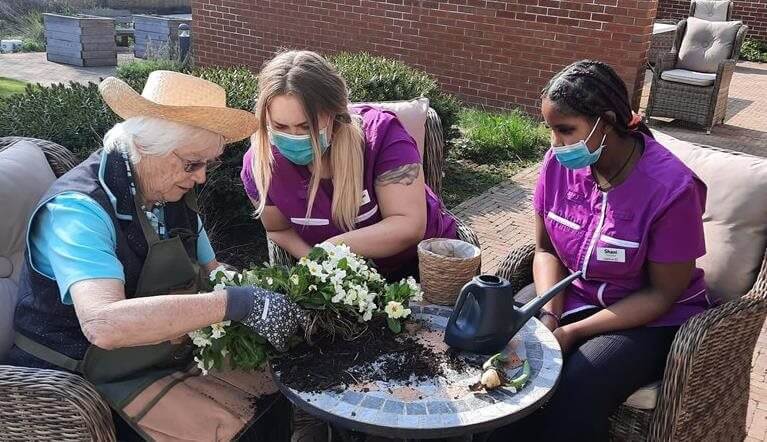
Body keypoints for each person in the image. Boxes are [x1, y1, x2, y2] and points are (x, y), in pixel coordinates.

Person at [4, 70, 303, 441]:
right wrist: (235, 303)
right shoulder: (78, 210)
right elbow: (103, 325)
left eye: (208, 165)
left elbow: (213, 271)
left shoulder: (171, 195)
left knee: (276, 392)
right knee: (232, 430)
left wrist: (260, 292)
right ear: (144, 146)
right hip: (79, 377)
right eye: (192, 164)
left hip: (157, 352)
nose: (201, 178)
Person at [489, 60, 711, 441]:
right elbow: (546, 251)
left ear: (605, 121)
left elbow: (662, 293)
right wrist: (548, 315)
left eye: (565, 130)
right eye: (550, 131)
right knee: (502, 349)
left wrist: (574, 332)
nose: (555, 145)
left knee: (579, 385)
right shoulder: (556, 166)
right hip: (571, 294)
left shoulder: (672, 190)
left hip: (648, 316)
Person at [241, 50, 457, 282]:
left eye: (307, 127)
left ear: (335, 113)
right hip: (344, 279)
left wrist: (332, 249)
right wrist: (318, 264)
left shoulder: (382, 136)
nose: (294, 137)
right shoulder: (261, 165)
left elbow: (408, 225)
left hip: (426, 265)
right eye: (280, 126)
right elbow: (278, 229)